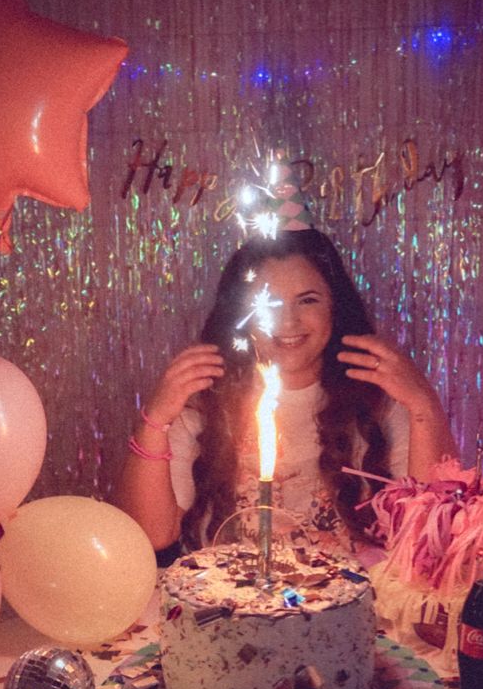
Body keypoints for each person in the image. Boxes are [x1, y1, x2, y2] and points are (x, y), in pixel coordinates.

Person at [116, 227, 457, 559]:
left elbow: (434, 537)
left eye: (307, 300)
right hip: (227, 611)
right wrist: (154, 420)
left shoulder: (377, 401)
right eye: (269, 303)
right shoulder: (205, 403)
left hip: (357, 611)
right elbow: (151, 536)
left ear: (334, 308)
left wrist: (424, 404)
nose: (288, 321)